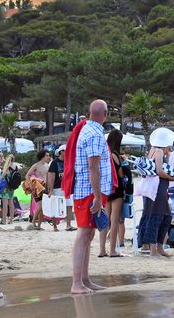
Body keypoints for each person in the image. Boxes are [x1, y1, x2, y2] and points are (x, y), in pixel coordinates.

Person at [70, 99, 113, 294]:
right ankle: (77, 283)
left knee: (88, 234)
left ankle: (84, 280)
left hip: (90, 191)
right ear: (105, 114)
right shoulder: (94, 133)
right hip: (89, 191)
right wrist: (97, 196)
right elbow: (92, 166)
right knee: (84, 234)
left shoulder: (88, 129)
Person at [138, 127, 174, 257]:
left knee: (161, 215)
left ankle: (153, 246)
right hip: (159, 189)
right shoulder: (159, 152)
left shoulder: (152, 151)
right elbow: (160, 171)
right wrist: (172, 178)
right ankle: (154, 249)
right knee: (158, 216)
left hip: (152, 189)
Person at [100, 130, 124, 257]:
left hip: (105, 188)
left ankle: (101, 250)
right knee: (114, 220)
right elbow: (120, 174)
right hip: (116, 188)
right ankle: (112, 250)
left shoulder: (104, 152)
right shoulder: (115, 154)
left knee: (105, 220)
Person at [46, 145, 76, 232]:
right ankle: (55, 226)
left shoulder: (70, 161)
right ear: (61, 152)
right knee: (56, 206)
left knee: (69, 205)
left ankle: (68, 225)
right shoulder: (54, 162)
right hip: (58, 187)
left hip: (68, 187)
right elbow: (51, 175)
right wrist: (50, 189)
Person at [24, 149, 51, 230]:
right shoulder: (36, 165)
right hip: (37, 188)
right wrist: (31, 184)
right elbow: (27, 175)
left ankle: (39, 225)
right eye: (47, 155)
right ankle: (33, 222)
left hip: (45, 187)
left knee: (42, 207)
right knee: (40, 206)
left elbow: (48, 177)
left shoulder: (47, 166)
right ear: (42, 156)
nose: (48, 157)